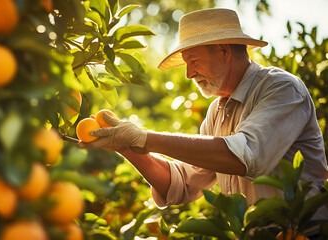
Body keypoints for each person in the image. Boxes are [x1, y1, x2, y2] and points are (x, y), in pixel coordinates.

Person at [81, 8, 328, 238]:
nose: (188, 73)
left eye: (193, 61)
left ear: (224, 50)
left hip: (305, 231)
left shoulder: (281, 88)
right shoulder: (216, 111)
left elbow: (247, 155)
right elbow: (182, 183)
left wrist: (144, 138)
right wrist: (128, 147)